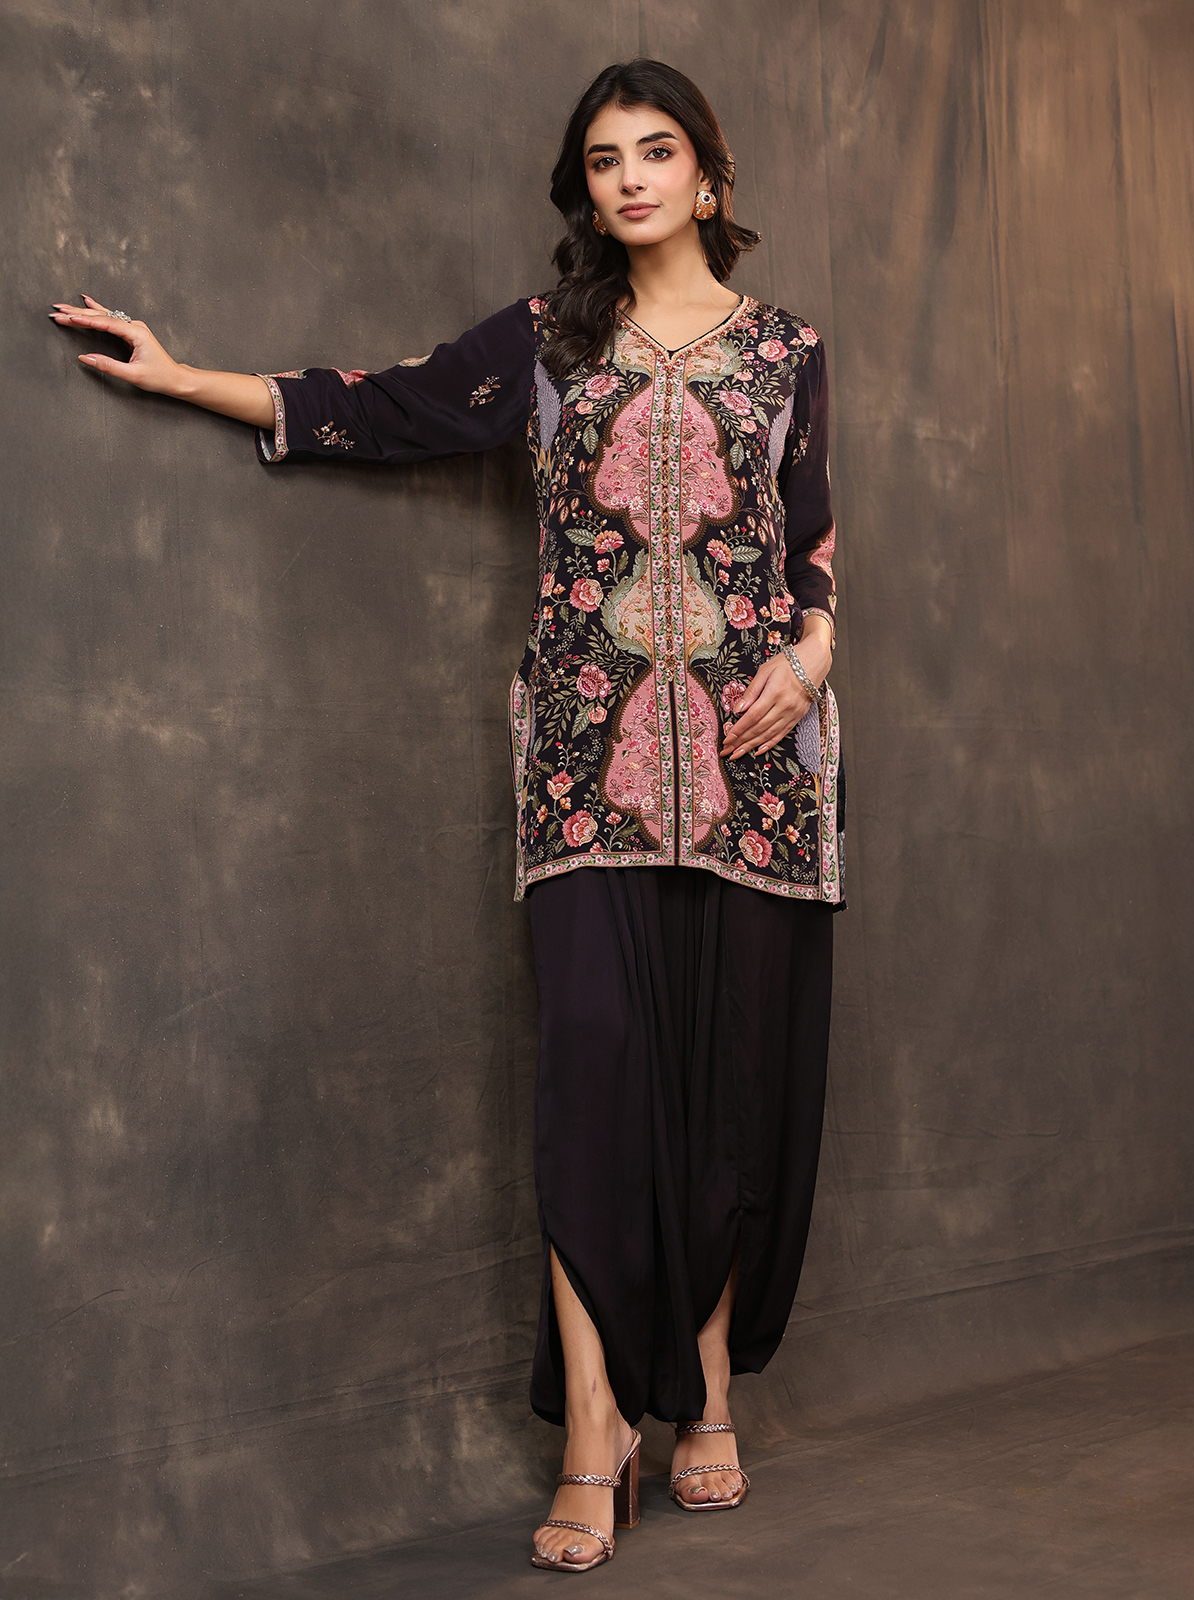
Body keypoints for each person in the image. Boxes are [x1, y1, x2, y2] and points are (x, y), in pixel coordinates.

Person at [51, 57, 843, 1575]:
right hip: (585, 765)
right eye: (603, 158)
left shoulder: (789, 352)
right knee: (594, 1075)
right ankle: (594, 1427)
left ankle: (709, 1390)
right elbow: (381, 406)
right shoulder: (548, 342)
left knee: (732, 1086)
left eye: (656, 152)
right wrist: (186, 376)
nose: (630, 179)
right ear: (585, 189)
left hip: (759, 770)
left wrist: (808, 665)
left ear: (710, 176)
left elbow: (813, 553)